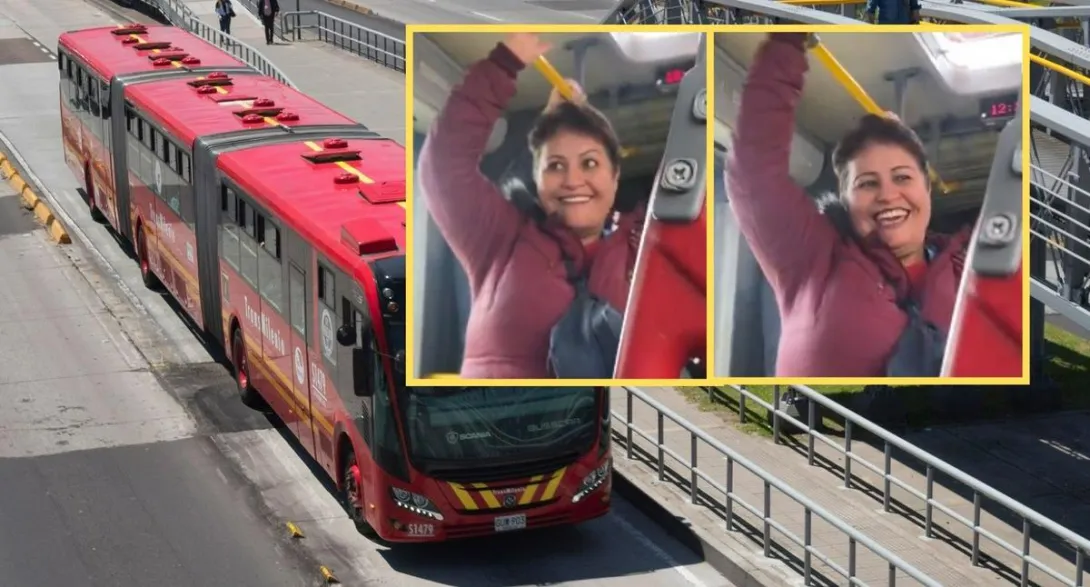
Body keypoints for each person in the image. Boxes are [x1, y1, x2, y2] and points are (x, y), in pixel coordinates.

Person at [726, 33, 971, 378]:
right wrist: (786, 42)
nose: (887, 195)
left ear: (927, 189)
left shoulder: (971, 265)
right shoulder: (812, 258)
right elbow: (754, 169)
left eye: (902, 177)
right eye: (867, 183)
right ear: (846, 199)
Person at [417, 33, 643, 379]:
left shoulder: (643, 246)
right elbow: (444, 166)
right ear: (536, 180)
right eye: (555, 165)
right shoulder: (501, 238)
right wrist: (503, 65)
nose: (572, 180)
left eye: (590, 163)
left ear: (615, 177)